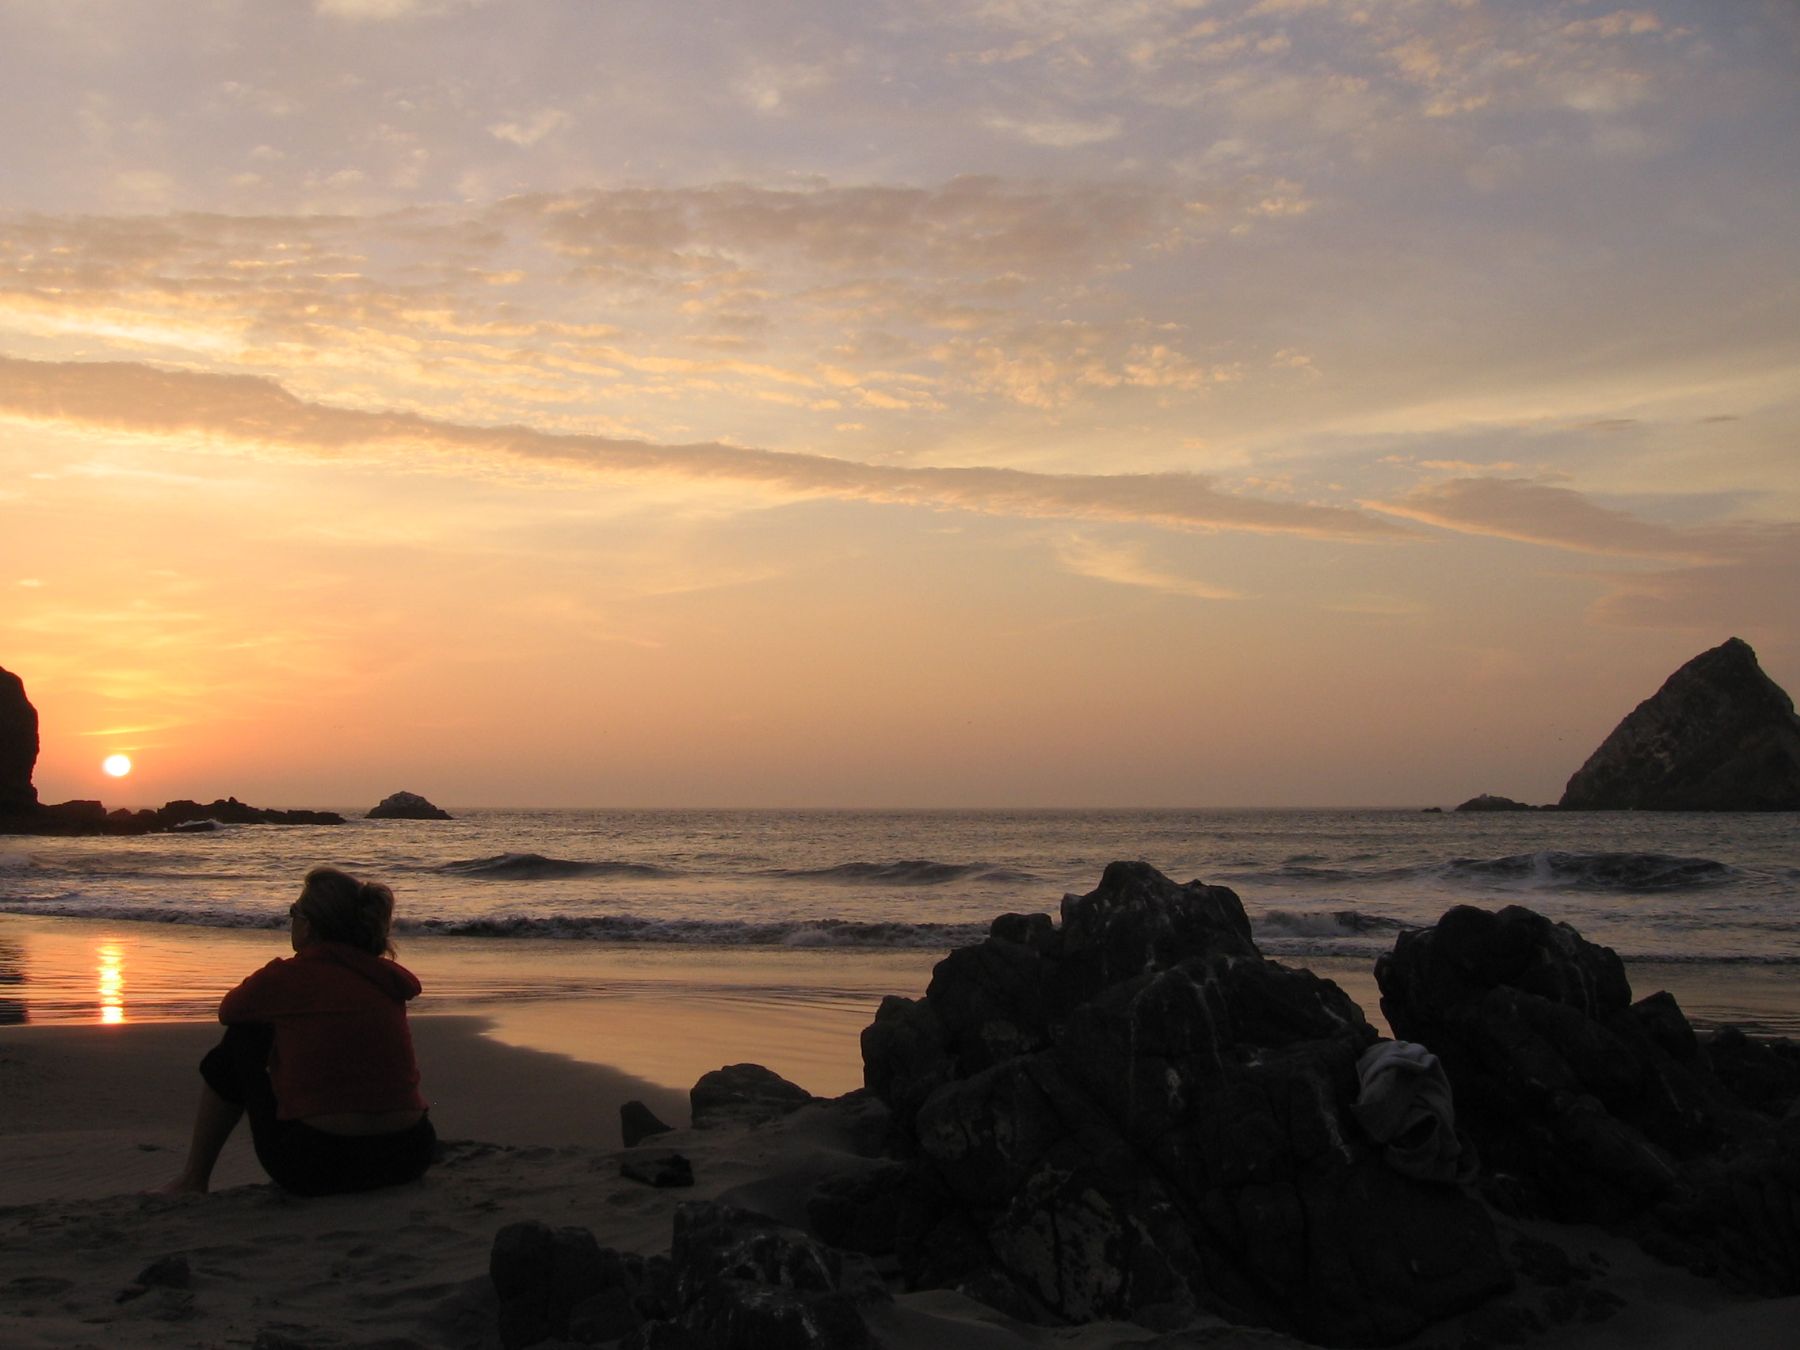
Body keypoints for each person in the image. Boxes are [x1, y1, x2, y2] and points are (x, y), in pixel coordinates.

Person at [154, 866, 434, 1197]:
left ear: (310, 926)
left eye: (294, 912)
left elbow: (230, 1011)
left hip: (316, 1161)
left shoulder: (285, 979)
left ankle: (193, 1179)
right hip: (409, 1154)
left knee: (242, 1039)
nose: (291, 919)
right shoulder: (385, 978)